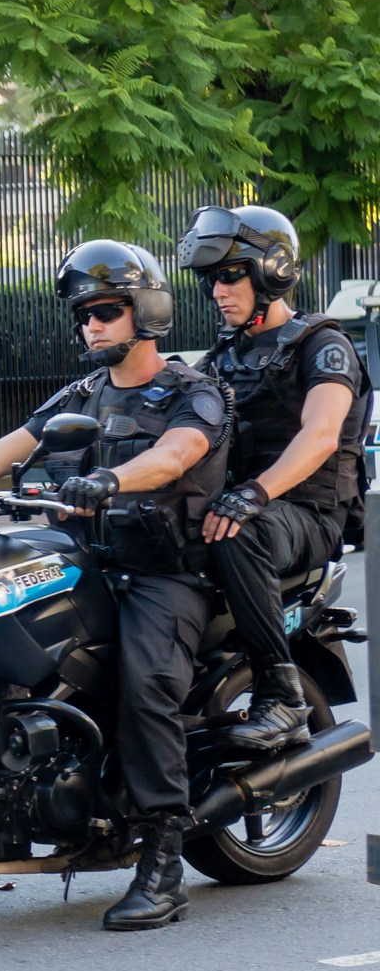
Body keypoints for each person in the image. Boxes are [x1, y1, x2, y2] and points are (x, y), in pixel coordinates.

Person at [0, 240, 230, 931]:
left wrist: (112, 478)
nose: (91, 325)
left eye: (105, 310)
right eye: (83, 314)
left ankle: (161, 859)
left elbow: (177, 453)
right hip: (84, 563)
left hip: (163, 574)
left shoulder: (192, 391)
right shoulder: (82, 394)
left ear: (144, 311)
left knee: (145, 680)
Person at [179, 204, 363, 753]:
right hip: (242, 503)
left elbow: (322, 434)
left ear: (273, 271)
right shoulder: (221, 359)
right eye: (212, 279)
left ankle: (281, 693)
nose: (218, 290)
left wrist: (254, 493)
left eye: (231, 274)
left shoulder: (323, 346)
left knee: (241, 530)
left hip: (304, 514)